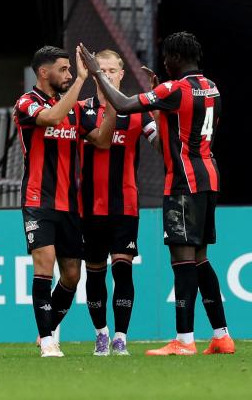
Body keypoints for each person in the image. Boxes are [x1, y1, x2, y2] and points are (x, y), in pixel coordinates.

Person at [78, 32, 235, 356]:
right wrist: (160, 101)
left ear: (175, 59)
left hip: (183, 182)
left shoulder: (173, 89)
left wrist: (95, 72)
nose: (164, 63)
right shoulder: (212, 87)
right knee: (201, 258)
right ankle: (221, 334)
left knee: (183, 259)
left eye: (166, 58)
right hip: (209, 177)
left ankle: (185, 340)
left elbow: (121, 103)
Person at [13, 45, 117, 357]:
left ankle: (46, 327)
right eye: (64, 69)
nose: (70, 74)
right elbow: (50, 118)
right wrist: (81, 82)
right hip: (38, 200)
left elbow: (101, 139)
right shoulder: (27, 103)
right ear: (43, 73)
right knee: (43, 268)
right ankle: (48, 341)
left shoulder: (74, 108)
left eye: (71, 69)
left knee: (72, 275)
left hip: (69, 204)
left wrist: (112, 105)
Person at [78, 49, 158, 356]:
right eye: (102, 69)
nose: (107, 74)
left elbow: (162, 148)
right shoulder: (82, 110)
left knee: (123, 271)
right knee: (95, 273)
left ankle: (121, 337)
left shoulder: (138, 111)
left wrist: (159, 105)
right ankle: (101, 334)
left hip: (125, 204)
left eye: (112, 70)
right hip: (89, 206)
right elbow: (98, 140)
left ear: (121, 75)